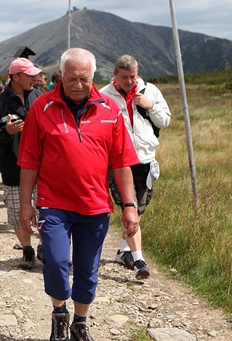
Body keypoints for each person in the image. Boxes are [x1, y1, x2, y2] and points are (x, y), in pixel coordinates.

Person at [18, 48, 141, 341]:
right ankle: (59, 313)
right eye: (71, 78)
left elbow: (122, 163)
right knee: (57, 263)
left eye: (84, 79)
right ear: (61, 75)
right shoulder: (42, 108)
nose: (77, 84)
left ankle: (80, 323)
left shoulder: (110, 110)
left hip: (95, 206)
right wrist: (25, 205)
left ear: (93, 76)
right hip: (54, 205)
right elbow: (28, 161)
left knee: (87, 270)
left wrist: (129, 205)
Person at [99, 54, 171, 279]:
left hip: (146, 159)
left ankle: (123, 250)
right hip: (119, 162)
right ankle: (139, 259)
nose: (130, 81)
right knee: (128, 207)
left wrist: (150, 107)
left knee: (138, 209)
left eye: (133, 76)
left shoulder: (151, 91)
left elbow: (165, 121)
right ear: (115, 75)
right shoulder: (104, 96)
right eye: (125, 77)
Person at [0, 57, 44, 270]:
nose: (34, 78)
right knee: (18, 212)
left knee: (47, 210)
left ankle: (46, 246)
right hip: (13, 170)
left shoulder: (40, 98)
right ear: (15, 76)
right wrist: (6, 132)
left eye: (35, 74)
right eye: (29, 75)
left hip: (43, 168)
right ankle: (27, 249)